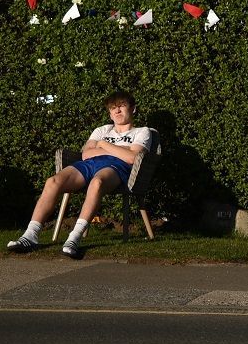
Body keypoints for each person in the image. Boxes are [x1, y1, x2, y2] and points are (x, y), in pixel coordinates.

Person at [8, 90, 152, 260]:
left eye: (121, 106)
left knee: (97, 182)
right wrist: (120, 149)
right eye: (113, 108)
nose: (117, 111)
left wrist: (103, 144)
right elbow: (86, 154)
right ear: (109, 113)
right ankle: (30, 236)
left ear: (133, 109)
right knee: (53, 181)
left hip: (116, 167)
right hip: (88, 165)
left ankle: (74, 238)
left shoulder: (143, 132)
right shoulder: (102, 129)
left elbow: (132, 158)